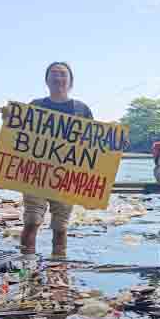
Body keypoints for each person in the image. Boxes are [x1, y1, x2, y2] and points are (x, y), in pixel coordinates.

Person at [19, 61, 93, 259]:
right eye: (54, 73)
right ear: (47, 80)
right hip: (36, 174)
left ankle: (58, 270)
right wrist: (9, 119)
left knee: (60, 228)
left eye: (62, 74)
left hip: (67, 177)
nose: (58, 78)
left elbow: (95, 144)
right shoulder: (35, 106)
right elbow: (18, 135)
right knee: (32, 221)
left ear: (70, 81)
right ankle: (27, 265)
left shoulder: (82, 109)